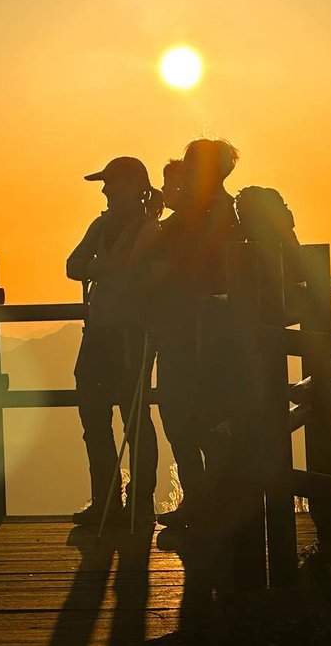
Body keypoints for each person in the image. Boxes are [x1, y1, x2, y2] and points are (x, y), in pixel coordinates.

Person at [142, 140, 243, 528]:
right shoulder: (219, 209)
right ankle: (203, 506)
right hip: (199, 330)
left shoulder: (202, 214)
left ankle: (205, 510)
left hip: (193, 332)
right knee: (190, 418)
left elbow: (172, 266)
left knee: (189, 418)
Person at [67, 156, 162, 527]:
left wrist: (98, 268)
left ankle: (137, 503)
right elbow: (74, 265)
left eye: (111, 183)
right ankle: (111, 501)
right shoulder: (106, 225)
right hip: (103, 334)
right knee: (97, 417)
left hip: (128, 335)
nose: (105, 190)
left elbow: (91, 267)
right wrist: (102, 268)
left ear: (133, 186)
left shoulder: (148, 230)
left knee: (132, 419)